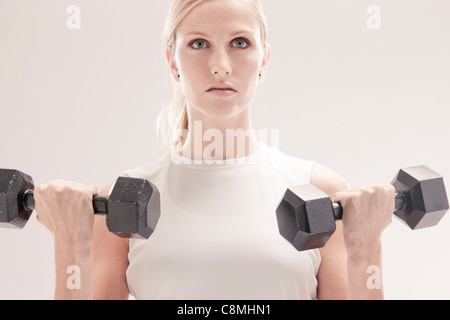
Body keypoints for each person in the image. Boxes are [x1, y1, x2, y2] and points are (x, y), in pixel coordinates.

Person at [34, 0, 395, 300]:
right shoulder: (123, 198)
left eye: (240, 42)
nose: (220, 66)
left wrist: (367, 248)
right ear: (172, 61)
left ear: (264, 60)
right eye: (198, 43)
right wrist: (70, 243)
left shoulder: (319, 192)